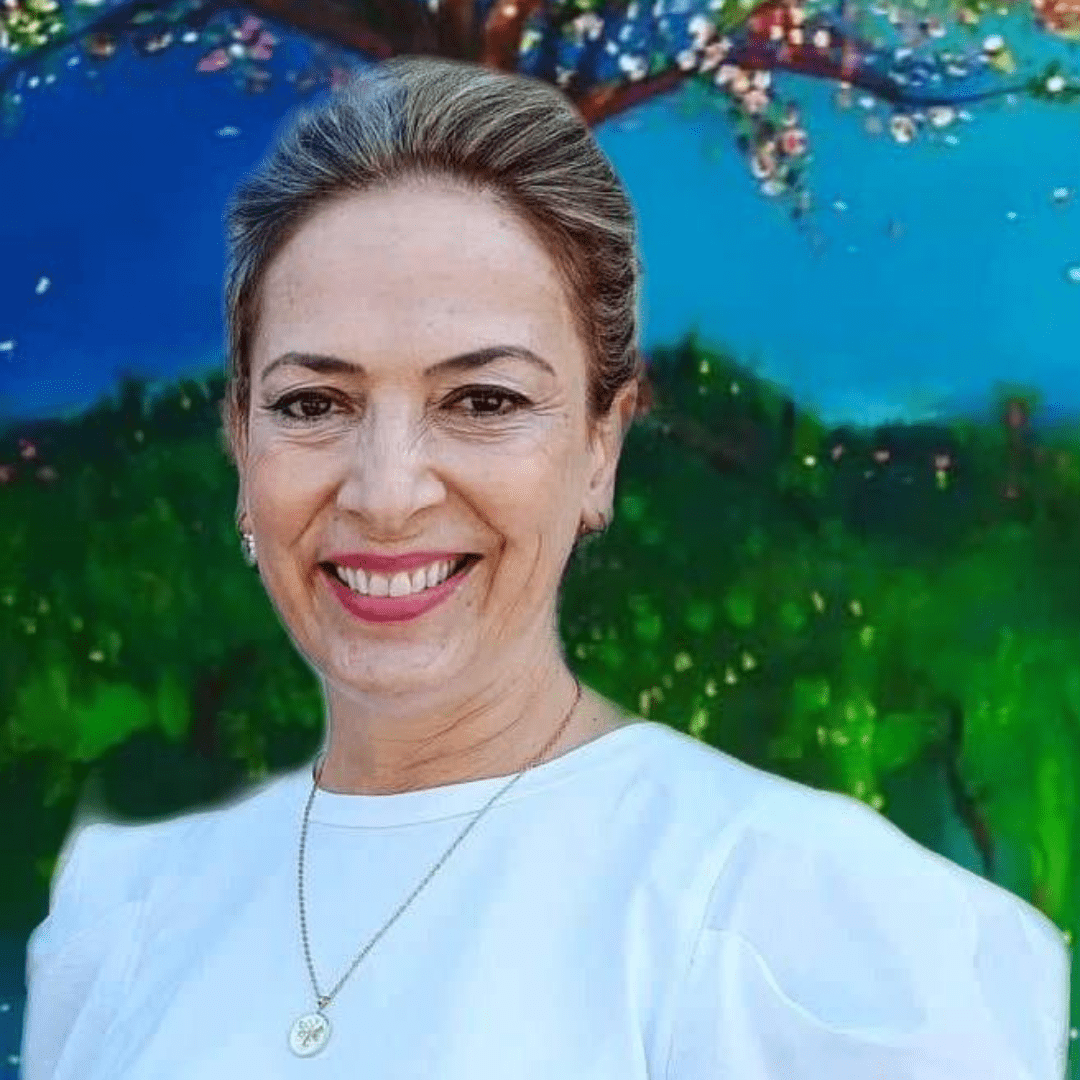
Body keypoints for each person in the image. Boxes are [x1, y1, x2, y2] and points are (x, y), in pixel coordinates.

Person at [20, 55, 1071, 1080]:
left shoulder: (793, 924)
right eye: (313, 404)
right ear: (242, 446)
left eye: (483, 401)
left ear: (601, 449)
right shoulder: (129, 918)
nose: (386, 492)